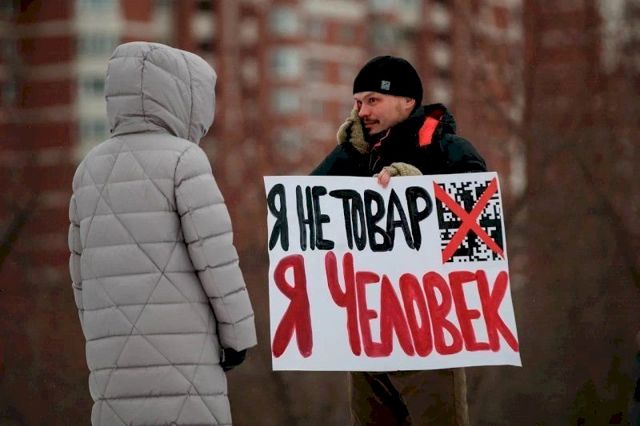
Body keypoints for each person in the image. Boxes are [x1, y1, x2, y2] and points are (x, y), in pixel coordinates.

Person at [68, 42, 257, 425]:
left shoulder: (88, 169)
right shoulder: (185, 160)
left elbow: (79, 274)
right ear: (184, 98)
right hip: (186, 355)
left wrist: (102, 335)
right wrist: (238, 336)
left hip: (112, 361)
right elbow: (216, 258)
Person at [311, 55, 487, 425]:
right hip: (367, 336)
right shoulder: (359, 154)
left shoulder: (450, 150)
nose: (361, 111)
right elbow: (307, 211)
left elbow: (479, 233)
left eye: (372, 100)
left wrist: (417, 191)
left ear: (407, 101)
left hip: (429, 336)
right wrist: (347, 154)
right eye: (358, 102)